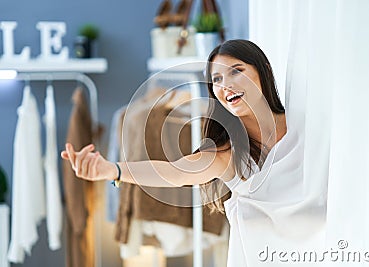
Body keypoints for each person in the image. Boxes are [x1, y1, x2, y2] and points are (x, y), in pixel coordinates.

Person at [61, 39, 289, 266]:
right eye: (216, 79)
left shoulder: (301, 126)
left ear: (263, 70)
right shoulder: (227, 153)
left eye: (236, 71)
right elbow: (174, 172)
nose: (225, 85)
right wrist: (114, 170)